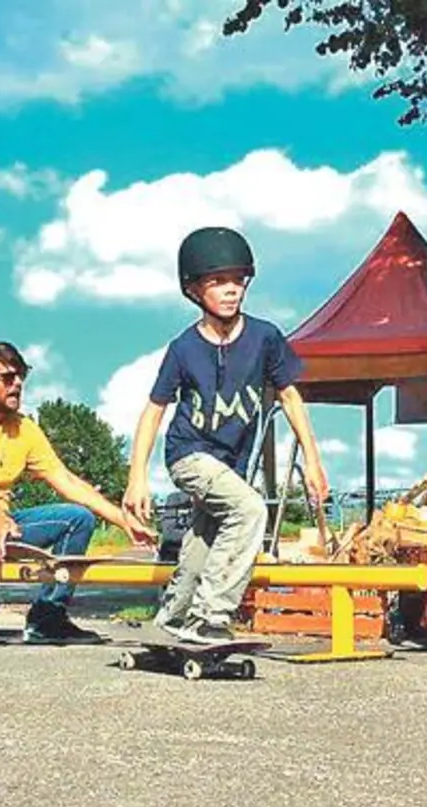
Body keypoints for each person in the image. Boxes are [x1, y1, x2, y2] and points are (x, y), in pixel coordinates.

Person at [122, 226, 328, 644]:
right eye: (218, 282)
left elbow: (290, 397)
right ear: (194, 290)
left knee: (204, 537)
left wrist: (313, 460)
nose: (231, 290)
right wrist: (136, 477)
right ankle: (210, 616)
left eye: (238, 280)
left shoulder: (265, 337)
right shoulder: (183, 348)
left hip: (230, 464)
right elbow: (153, 410)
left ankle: (173, 619)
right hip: (188, 455)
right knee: (250, 510)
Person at [0, 342, 156, 649]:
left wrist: (123, 520)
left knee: (77, 518)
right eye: (8, 377)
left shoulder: (24, 429)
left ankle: (47, 618)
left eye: (21, 376)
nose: (18, 384)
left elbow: (65, 480)